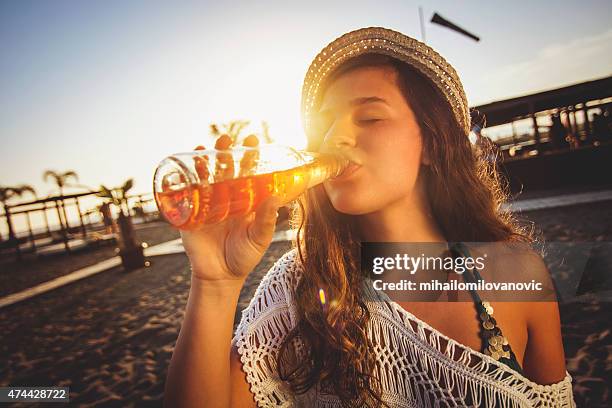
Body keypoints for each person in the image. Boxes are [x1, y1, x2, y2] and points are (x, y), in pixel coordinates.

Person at [164, 27, 575, 407]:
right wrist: (214, 283)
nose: (334, 138)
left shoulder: (516, 272)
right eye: (324, 124)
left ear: (433, 144)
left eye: (370, 117)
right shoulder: (300, 285)